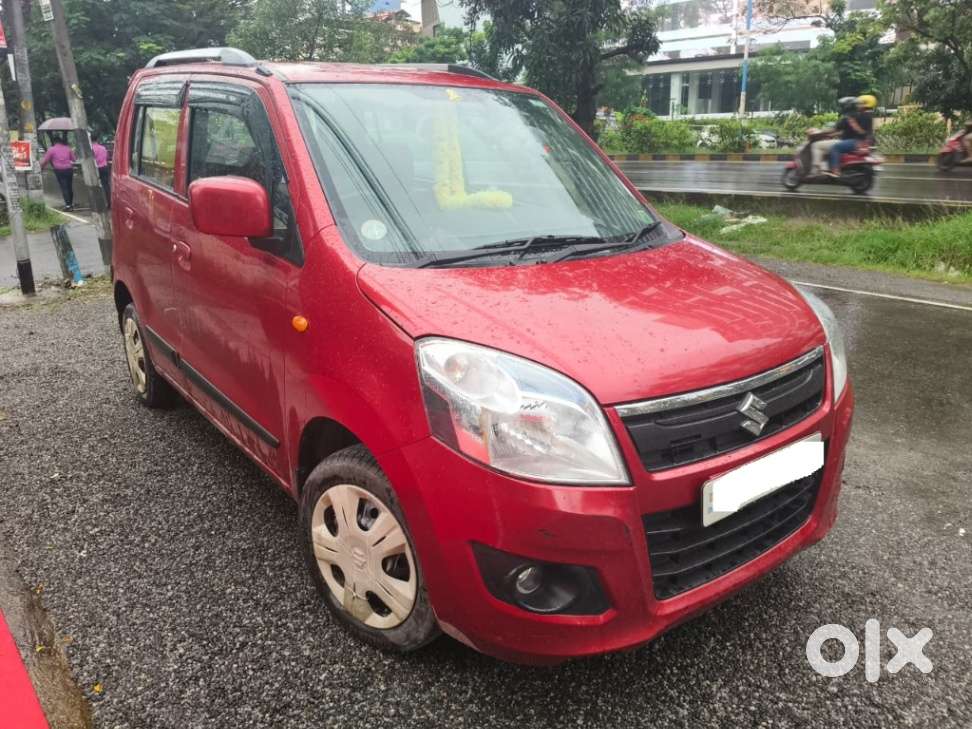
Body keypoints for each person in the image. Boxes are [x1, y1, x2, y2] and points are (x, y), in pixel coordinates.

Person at [828, 94, 876, 175]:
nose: (858, 105)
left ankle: (835, 170)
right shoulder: (866, 115)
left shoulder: (865, 115)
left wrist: (853, 123)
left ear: (866, 104)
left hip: (858, 142)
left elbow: (862, 131)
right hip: (860, 141)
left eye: (860, 103)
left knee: (835, 148)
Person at [41, 134, 77, 210]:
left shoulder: (51, 149)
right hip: (69, 169)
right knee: (69, 186)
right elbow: (74, 159)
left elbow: (45, 161)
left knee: (64, 187)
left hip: (59, 170)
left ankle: (68, 206)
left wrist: (41, 168)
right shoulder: (68, 148)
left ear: (54, 142)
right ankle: (70, 204)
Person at [91, 132, 111, 204]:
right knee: (106, 185)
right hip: (104, 167)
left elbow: (91, 160)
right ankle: (109, 201)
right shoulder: (103, 148)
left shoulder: (91, 149)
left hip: (96, 169)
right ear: (97, 139)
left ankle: (99, 202)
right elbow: (107, 157)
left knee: (95, 185)